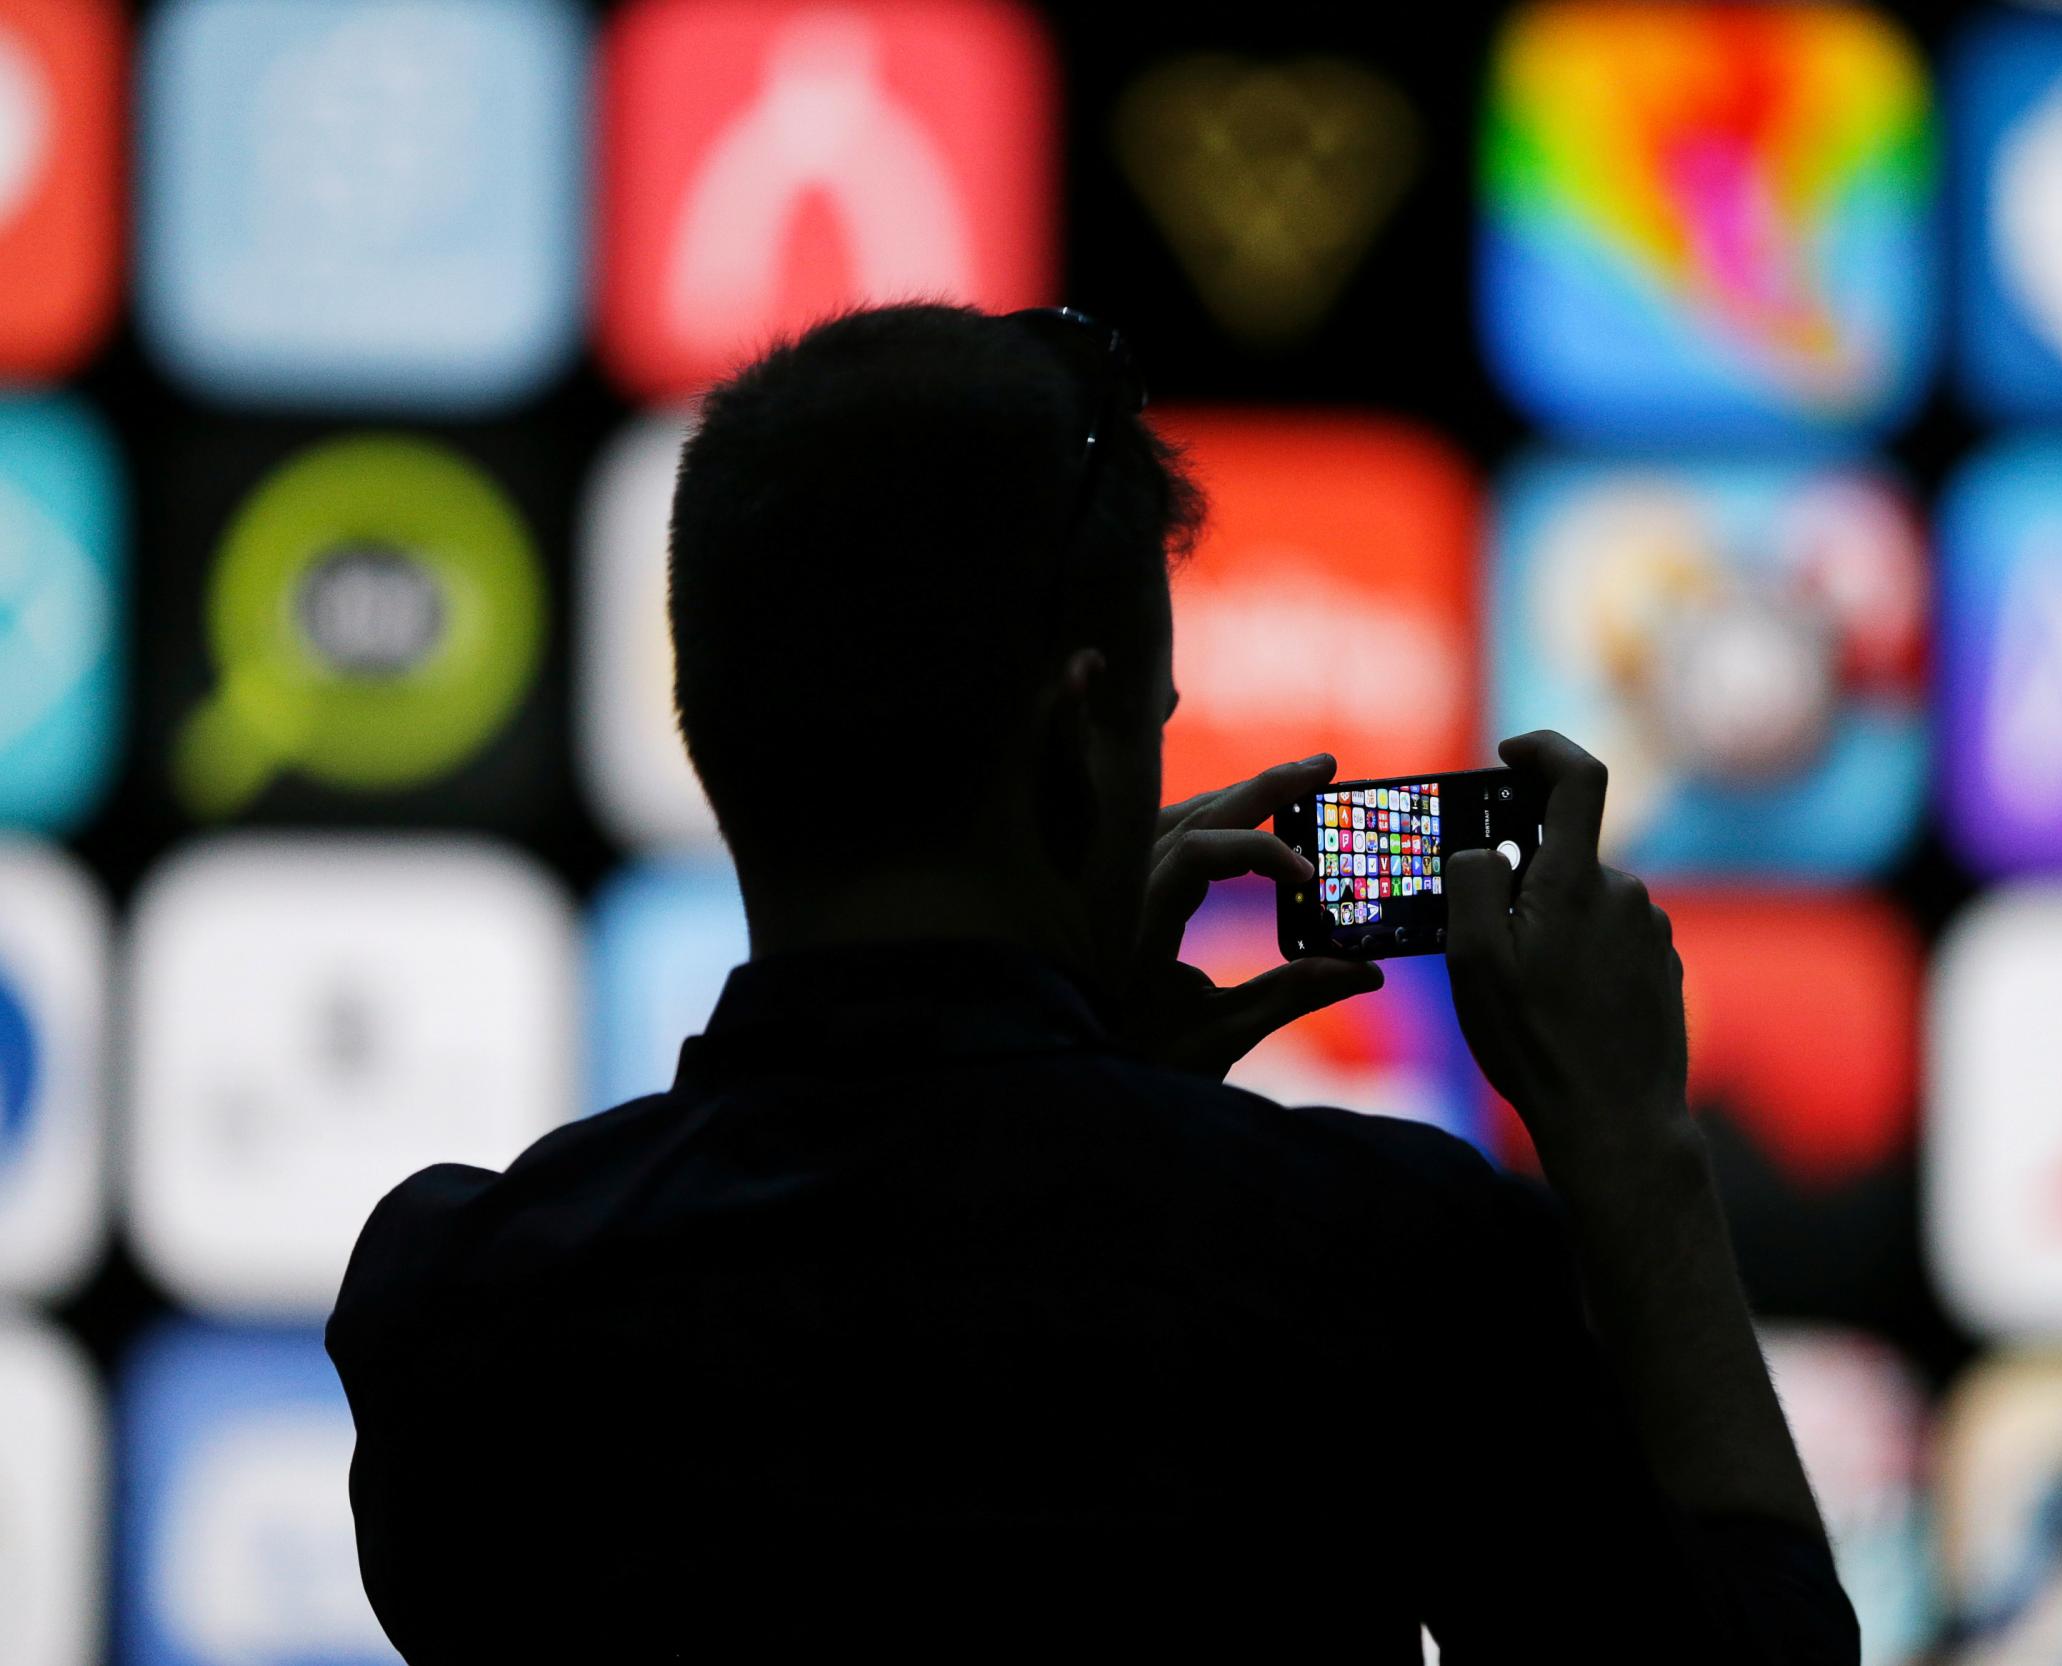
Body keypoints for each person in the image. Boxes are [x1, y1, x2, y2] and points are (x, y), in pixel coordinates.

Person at [326, 302, 1856, 1662]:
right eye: (1159, 717)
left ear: (710, 721)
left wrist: (1070, 1110)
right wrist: (1629, 1147)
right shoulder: (1385, 1263)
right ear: (1080, 735)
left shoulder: (465, 1302)